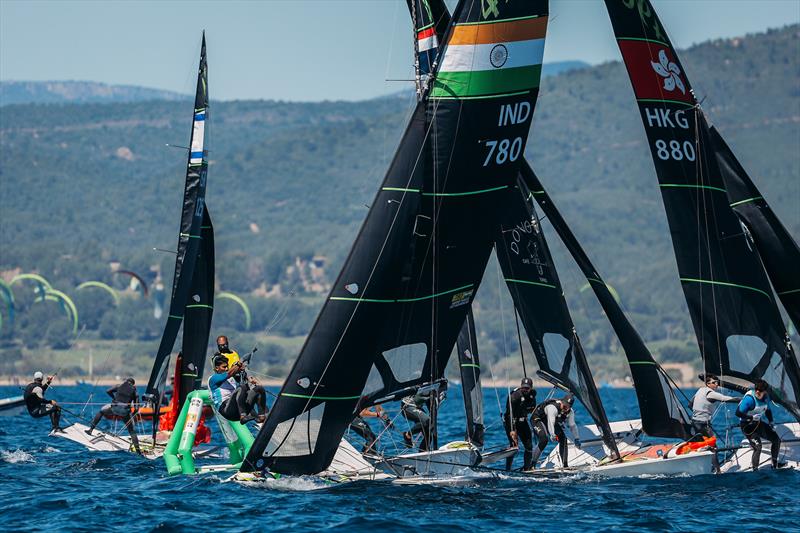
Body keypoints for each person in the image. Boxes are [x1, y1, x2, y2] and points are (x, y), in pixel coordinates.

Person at [690, 374, 739, 472]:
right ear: (708, 384)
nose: (716, 384)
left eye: (717, 382)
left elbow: (690, 404)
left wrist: (699, 411)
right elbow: (726, 399)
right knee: (713, 447)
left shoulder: (700, 390)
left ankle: (699, 467)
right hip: (703, 424)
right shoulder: (710, 393)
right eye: (714, 382)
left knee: (701, 446)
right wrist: (743, 399)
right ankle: (717, 471)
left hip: (695, 422)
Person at [735, 379, 784, 471]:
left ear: (765, 391)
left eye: (760, 390)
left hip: (758, 423)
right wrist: (751, 417)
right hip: (747, 426)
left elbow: (768, 410)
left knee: (776, 440)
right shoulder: (749, 399)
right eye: (756, 389)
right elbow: (738, 413)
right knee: (758, 446)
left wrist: (771, 421)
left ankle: (774, 465)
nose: (757, 391)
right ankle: (755, 471)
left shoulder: (766, 397)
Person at [85, 377, 142, 455]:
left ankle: (90, 430)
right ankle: (138, 451)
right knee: (132, 431)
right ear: (133, 384)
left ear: (126, 381)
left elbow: (108, 391)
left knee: (101, 411)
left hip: (114, 408)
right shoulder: (135, 392)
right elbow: (136, 407)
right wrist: (132, 414)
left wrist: (114, 398)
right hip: (125, 412)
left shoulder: (119, 386)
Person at [208, 354, 267, 424]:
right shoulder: (213, 378)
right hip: (227, 411)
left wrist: (249, 378)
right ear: (217, 368)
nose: (226, 368)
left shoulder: (231, 378)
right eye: (224, 367)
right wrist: (241, 360)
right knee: (241, 387)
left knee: (259, 389)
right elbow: (229, 373)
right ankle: (243, 416)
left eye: (227, 366)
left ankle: (261, 417)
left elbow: (244, 391)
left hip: (238, 410)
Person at [530, 394, 581, 469]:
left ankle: (565, 465)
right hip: (537, 419)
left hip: (549, 420)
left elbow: (572, 425)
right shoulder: (552, 408)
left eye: (568, 407)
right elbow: (551, 422)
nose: (566, 409)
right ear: (562, 403)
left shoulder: (570, 412)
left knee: (563, 439)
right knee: (544, 439)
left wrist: (577, 438)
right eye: (564, 406)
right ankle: (532, 465)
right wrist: (552, 434)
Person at [503, 377, 537, 470]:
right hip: (511, 421)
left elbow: (532, 409)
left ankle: (527, 469)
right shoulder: (515, 396)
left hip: (523, 421)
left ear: (531, 388)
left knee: (529, 446)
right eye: (523, 388)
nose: (525, 390)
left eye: (527, 388)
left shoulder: (532, 395)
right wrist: (512, 430)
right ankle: (508, 469)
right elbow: (509, 415)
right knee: (514, 446)